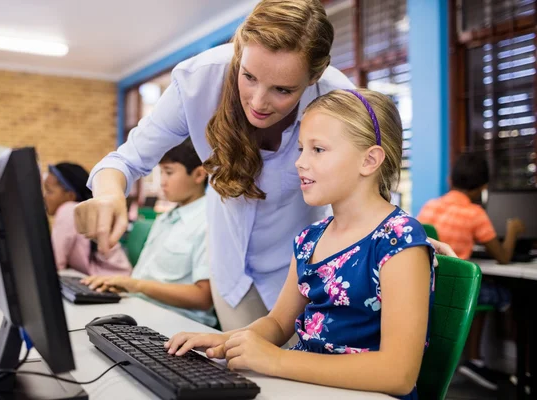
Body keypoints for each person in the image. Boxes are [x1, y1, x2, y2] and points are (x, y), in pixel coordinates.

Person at [74, 0, 454, 331]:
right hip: (230, 266)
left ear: (313, 78)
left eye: (283, 90)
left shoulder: (338, 99)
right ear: (239, 52)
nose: (258, 101)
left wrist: (395, 236)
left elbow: (367, 177)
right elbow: (124, 161)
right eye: (249, 77)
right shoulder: (198, 81)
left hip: (299, 265)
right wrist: (109, 196)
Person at [165, 89, 435, 399]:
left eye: (318, 150)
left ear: (369, 160)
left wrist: (277, 359)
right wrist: (225, 342)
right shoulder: (311, 239)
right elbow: (279, 322)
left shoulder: (398, 242)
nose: (300, 163)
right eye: (301, 149)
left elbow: (398, 374)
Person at [417, 152, 525, 390]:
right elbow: (503, 257)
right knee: (504, 295)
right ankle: (506, 362)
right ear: (482, 188)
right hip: (455, 289)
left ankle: (473, 357)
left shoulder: (430, 206)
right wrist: (514, 230)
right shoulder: (475, 213)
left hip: (429, 286)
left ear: (450, 181)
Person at [80, 139, 216, 327]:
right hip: (142, 308)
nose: (163, 182)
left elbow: (203, 298)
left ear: (199, 174)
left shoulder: (209, 221)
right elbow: (145, 277)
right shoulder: (165, 218)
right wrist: (124, 285)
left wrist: (136, 285)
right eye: (161, 173)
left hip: (179, 321)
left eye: (169, 172)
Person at [44, 163, 132, 276]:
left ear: (70, 196)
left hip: (113, 283)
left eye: (49, 191)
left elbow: (54, 263)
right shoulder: (79, 212)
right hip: (118, 278)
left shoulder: (68, 209)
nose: (44, 196)